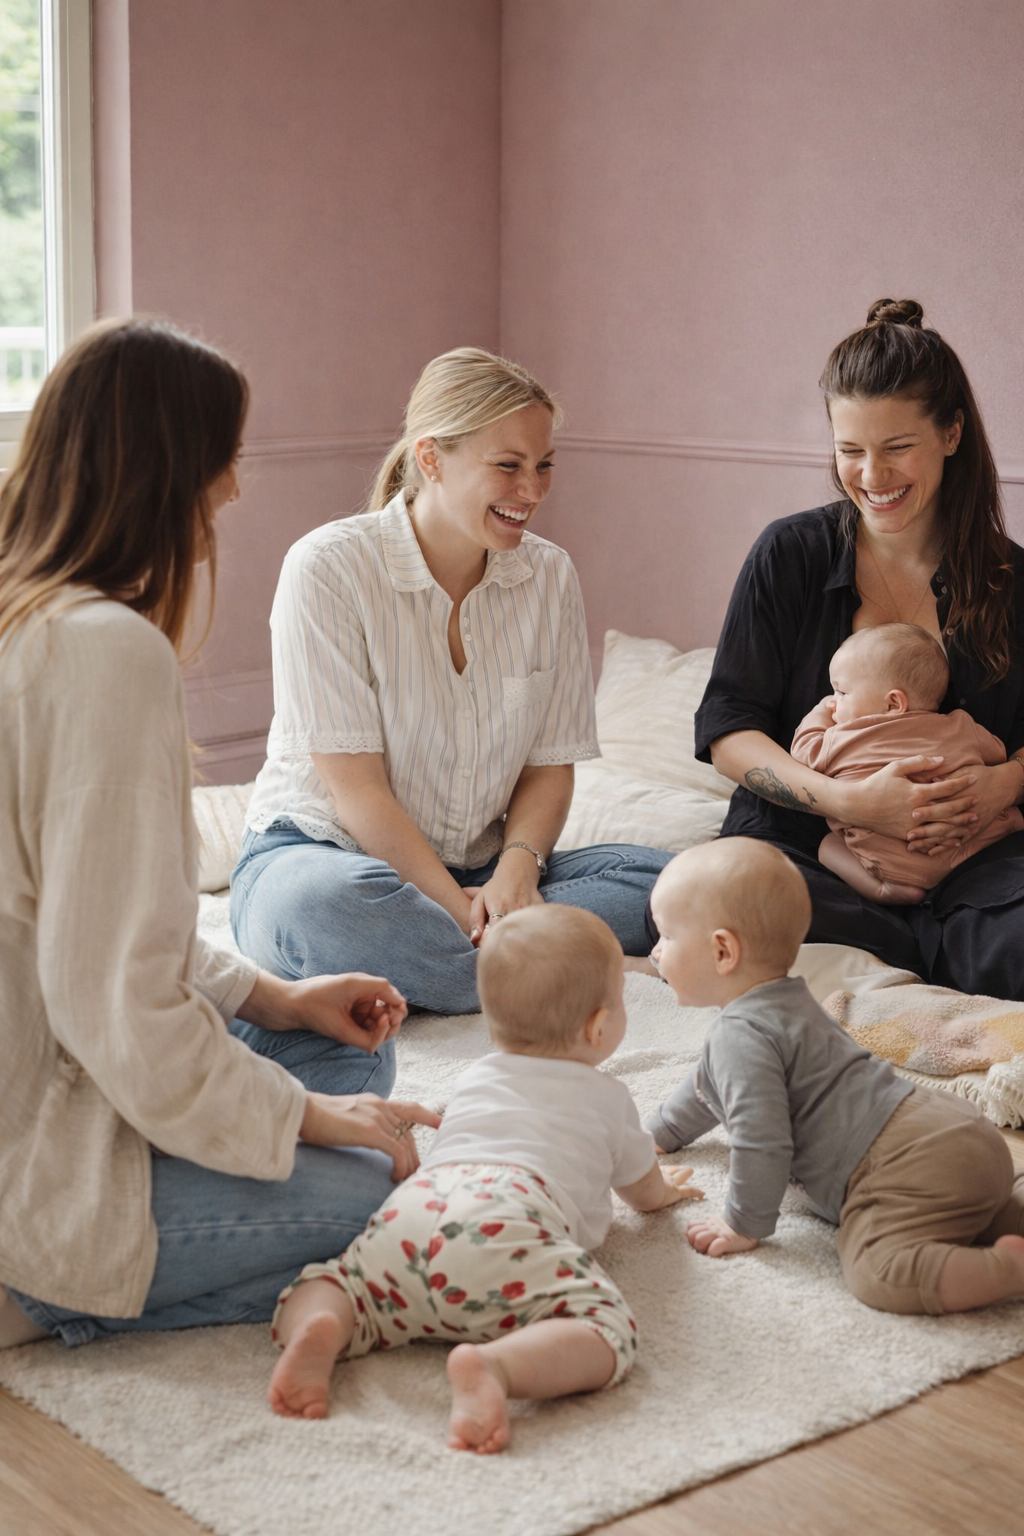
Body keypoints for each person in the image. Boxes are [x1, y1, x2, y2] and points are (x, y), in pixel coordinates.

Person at [0, 319, 439, 1351]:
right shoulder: (104, 652)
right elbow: (111, 998)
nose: (233, 492)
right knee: (388, 1192)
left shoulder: (29, 616)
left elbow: (87, 923)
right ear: (167, 469)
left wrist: (270, 995)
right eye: (222, 461)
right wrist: (307, 1121)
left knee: (345, 1055)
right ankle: (41, 1292)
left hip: (55, 1062)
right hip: (38, 1150)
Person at [231, 347, 671, 1016]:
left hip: (483, 869)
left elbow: (549, 768)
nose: (533, 491)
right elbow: (358, 793)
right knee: (321, 911)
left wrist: (517, 870)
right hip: (328, 857)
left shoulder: (548, 576)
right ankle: (566, 964)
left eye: (544, 465)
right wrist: (459, 910)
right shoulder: (328, 568)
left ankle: (486, 961)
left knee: (678, 883)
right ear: (431, 459)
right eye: (508, 466)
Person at [267, 905, 703, 1452]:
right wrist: (666, 1192)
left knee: (339, 1280)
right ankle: (497, 1366)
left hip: (418, 1209)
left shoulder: (474, 1075)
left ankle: (326, 1325)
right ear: (598, 1025)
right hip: (508, 1222)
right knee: (606, 1329)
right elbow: (641, 1191)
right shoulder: (608, 1097)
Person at [693, 298, 1024, 997]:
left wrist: (1001, 784)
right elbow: (728, 730)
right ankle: (915, 957)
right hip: (813, 841)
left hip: (977, 851)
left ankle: (942, 951)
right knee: (725, 914)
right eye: (850, 451)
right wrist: (851, 803)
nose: (872, 476)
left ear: (952, 433)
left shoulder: (1010, 579)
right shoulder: (790, 554)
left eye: (897, 448)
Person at [645, 841, 1024, 1315]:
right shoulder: (792, 1000)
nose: (655, 953)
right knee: (983, 1203)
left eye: (664, 937)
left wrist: (742, 1224)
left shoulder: (740, 1035)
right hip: (957, 1132)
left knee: (878, 1271)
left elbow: (761, 1140)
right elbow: (707, 1087)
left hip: (902, 1169)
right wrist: (658, 1134)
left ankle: (1008, 1271)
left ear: (723, 951)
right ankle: (1006, 1209)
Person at [791, 623, 1024, 903]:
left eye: (840, 692)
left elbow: (802, 750)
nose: (832, 702)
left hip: (896, 866)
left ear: (893, 703)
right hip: (961, 844)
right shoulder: (961, 725)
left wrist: (819, 713)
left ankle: (884, 889)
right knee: (986, 808)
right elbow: (998, 753)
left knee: (828, 846)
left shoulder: (842, 739)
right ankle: (1010, 822)